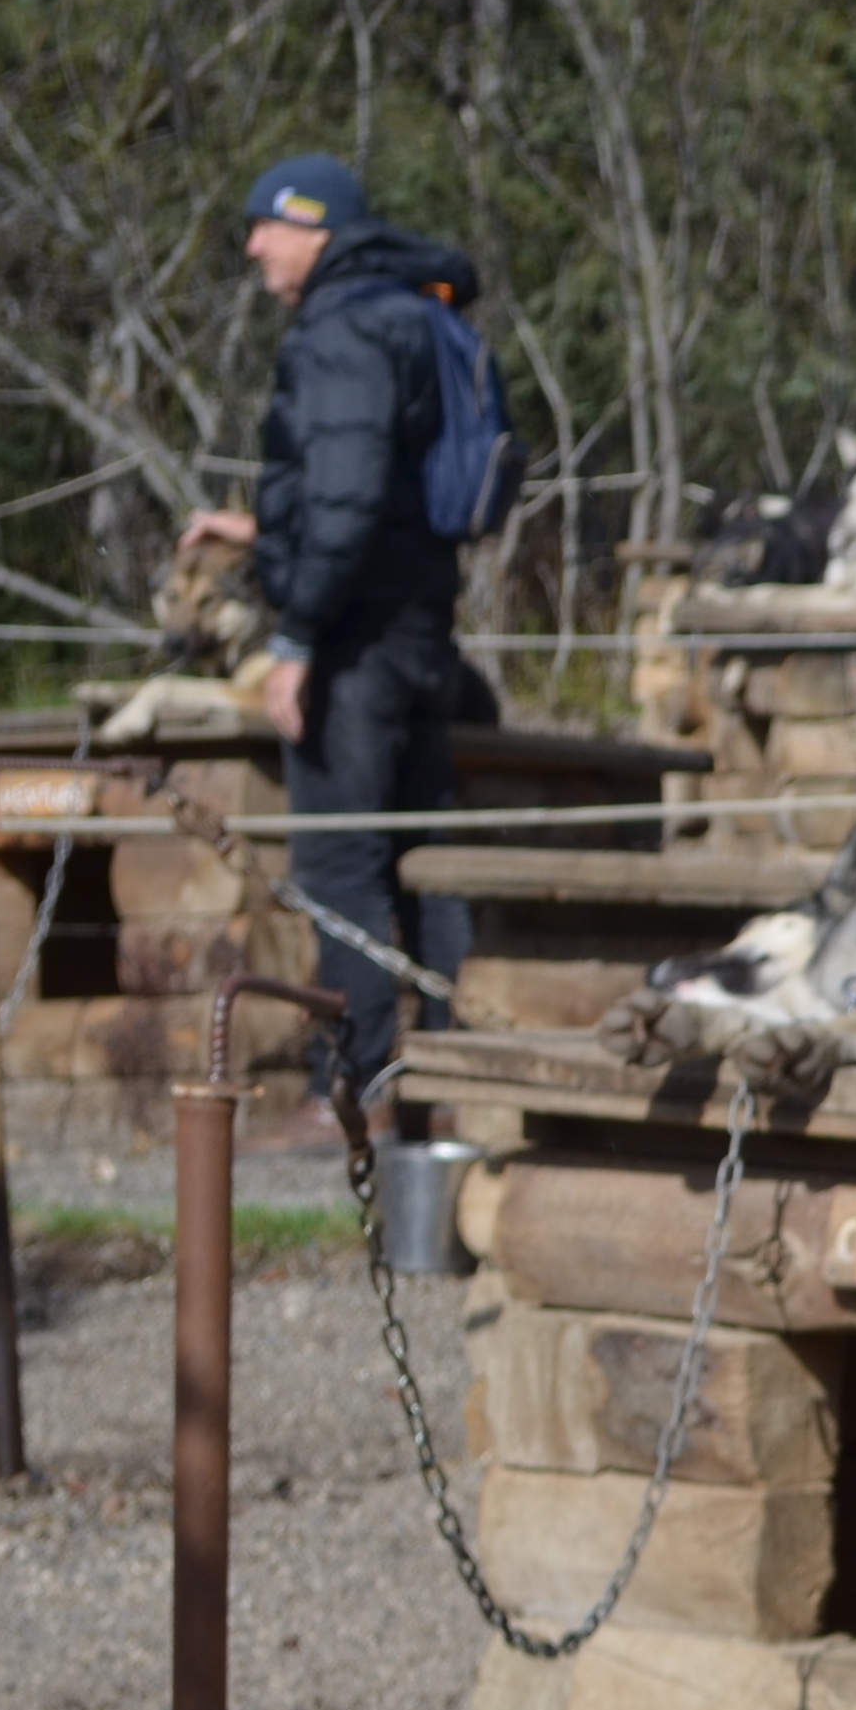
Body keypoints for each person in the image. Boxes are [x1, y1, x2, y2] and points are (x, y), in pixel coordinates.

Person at [180, 154, 484, 1089]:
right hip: (420, 625)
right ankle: (448, 1062)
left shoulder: (342, 328)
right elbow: (375, 492)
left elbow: (349, 503)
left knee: (340, 856)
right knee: (420, 852)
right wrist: (262, 523)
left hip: (357, 640)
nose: (253, 245)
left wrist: (297, 640)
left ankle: (360, 1083)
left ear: (315, 230)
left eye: (266, 225)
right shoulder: (409, 312)